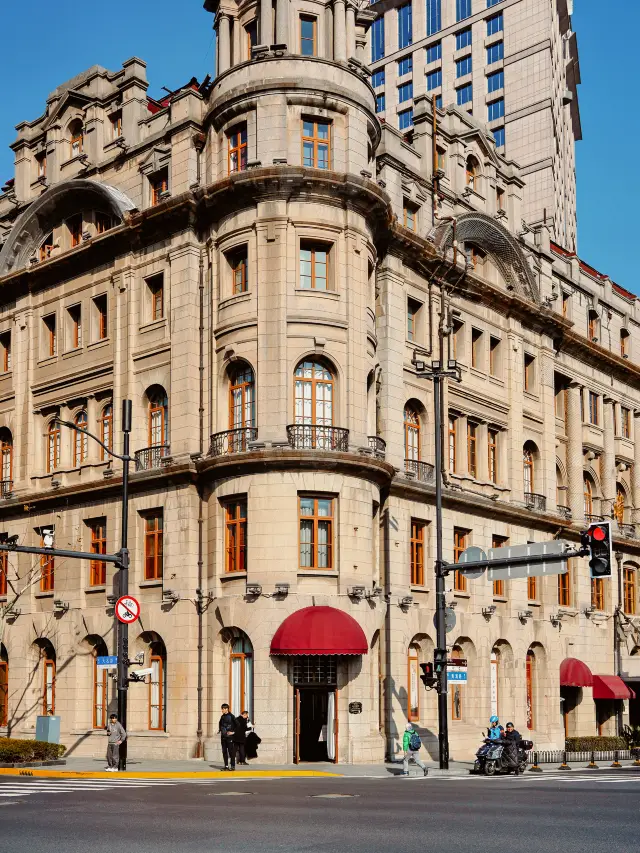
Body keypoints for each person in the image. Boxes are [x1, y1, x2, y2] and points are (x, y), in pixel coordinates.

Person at [218, 703, 236, 771]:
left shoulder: (232, 716)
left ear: (227, 709)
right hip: (223, 737)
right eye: (222, 709)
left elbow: (238, 725)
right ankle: (226, 766)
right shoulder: (222, 716)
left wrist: (233, 732)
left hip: (230, 737)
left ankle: (233, 766)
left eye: (223, 709)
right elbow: (220, 724)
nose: (222, 710)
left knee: (231, 752)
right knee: (224, 752)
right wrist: (220, 730)